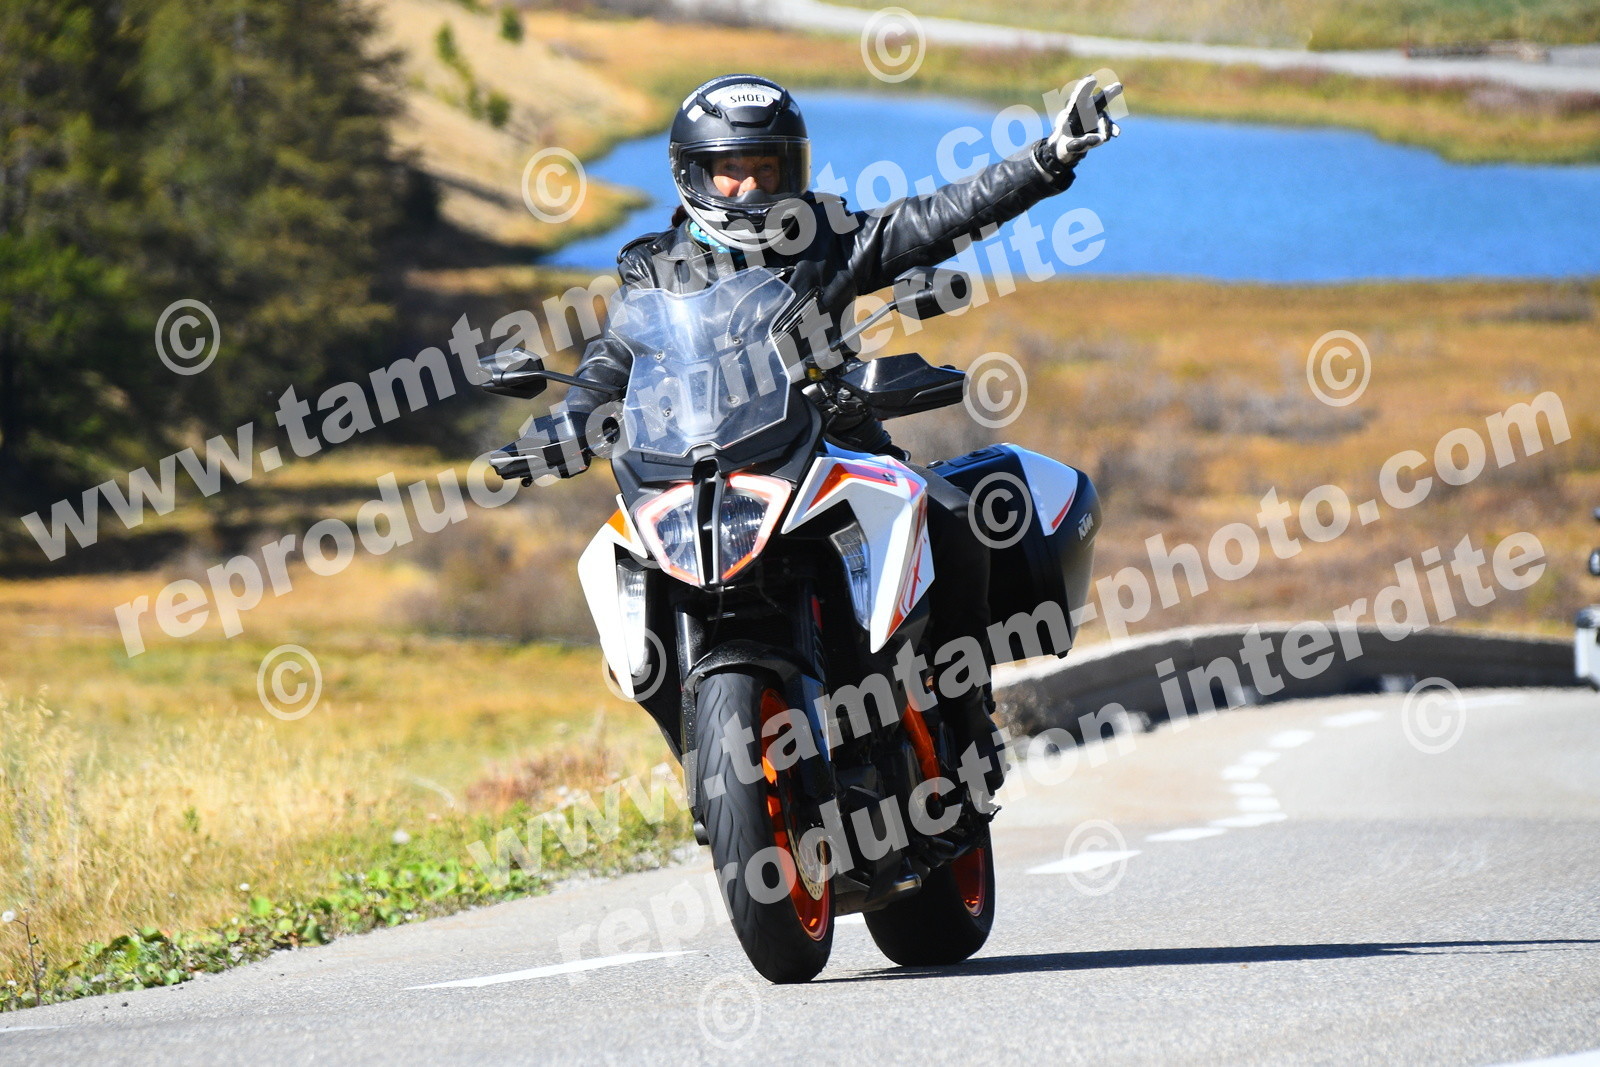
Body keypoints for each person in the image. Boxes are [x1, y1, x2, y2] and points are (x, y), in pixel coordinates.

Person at [529, 73, 1120, 801]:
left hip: (831, 444)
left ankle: (968, 716)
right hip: (696, 468)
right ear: (694, 173)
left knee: (954, 518)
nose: (750, 186)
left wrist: (1049, 157)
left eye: (766, 168)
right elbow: (610, 360)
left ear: (793, 169)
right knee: (634, 568)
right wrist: (568, 422)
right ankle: (707, 760)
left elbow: (935, 218)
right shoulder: (653, 268)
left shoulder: (825, 236)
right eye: (731, 169)